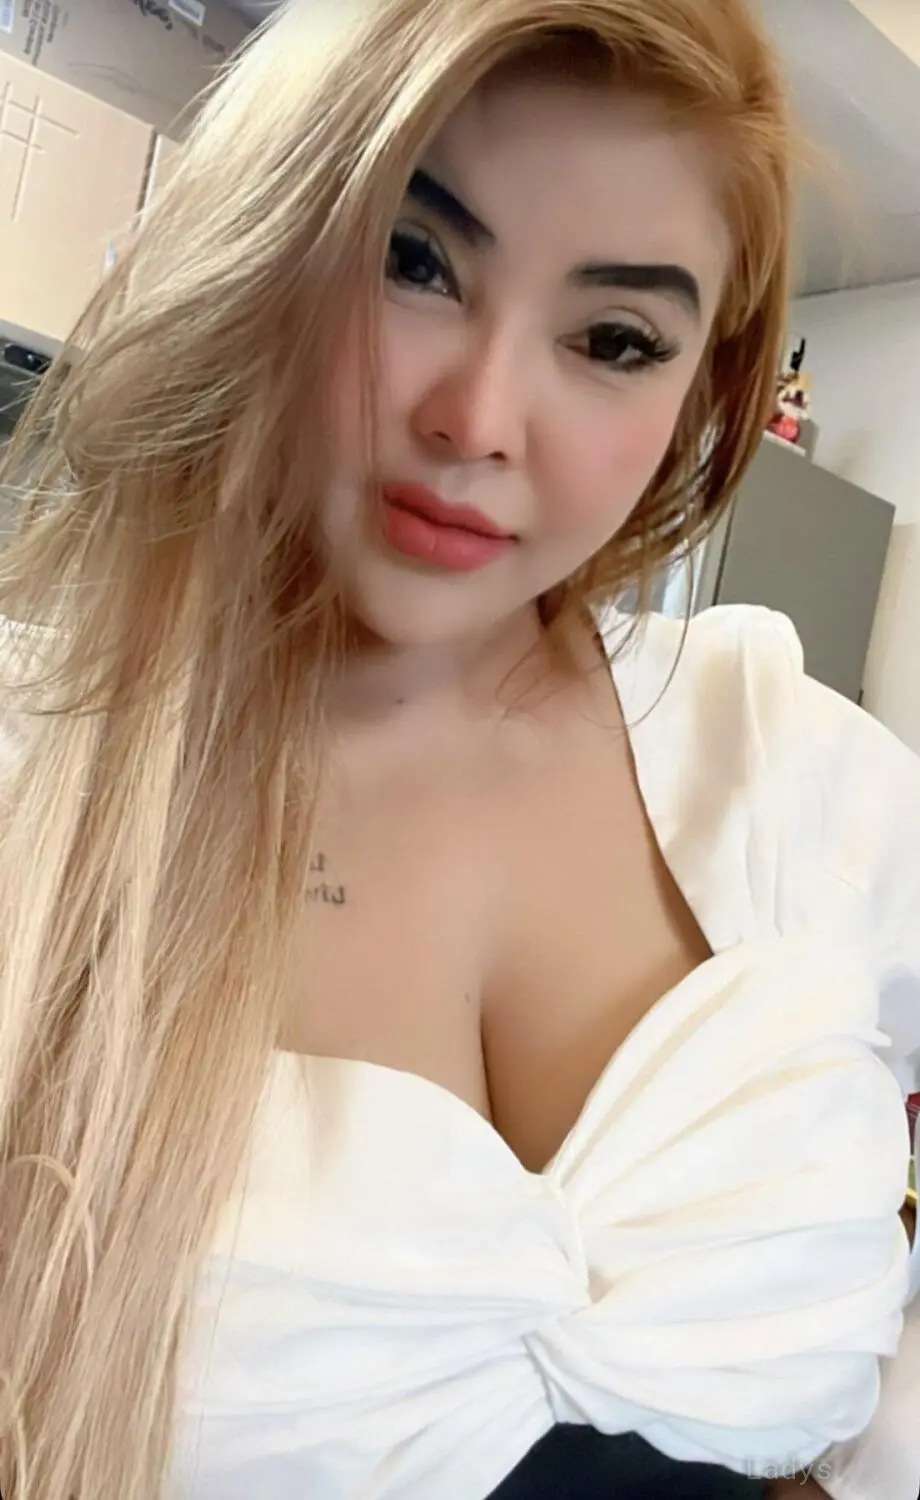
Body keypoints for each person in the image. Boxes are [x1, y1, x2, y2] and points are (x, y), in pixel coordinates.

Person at [0, 1, 917, 1497]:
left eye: (613, 340)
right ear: (273, 244)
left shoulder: (792, 768)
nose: (481, 420)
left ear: (702, 392)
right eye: (416, 260)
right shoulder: (43, 780)